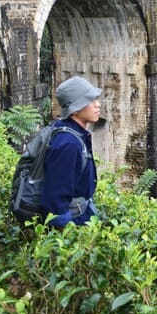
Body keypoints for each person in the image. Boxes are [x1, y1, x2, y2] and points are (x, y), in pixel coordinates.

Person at [41, 76, 102, 228]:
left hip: (83, 213)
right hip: (74, 223)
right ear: (75, 108)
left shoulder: (74, 134)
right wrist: (69, 236)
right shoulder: (68, 144)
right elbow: (55, 203)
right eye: (91, 100)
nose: (98, 104)